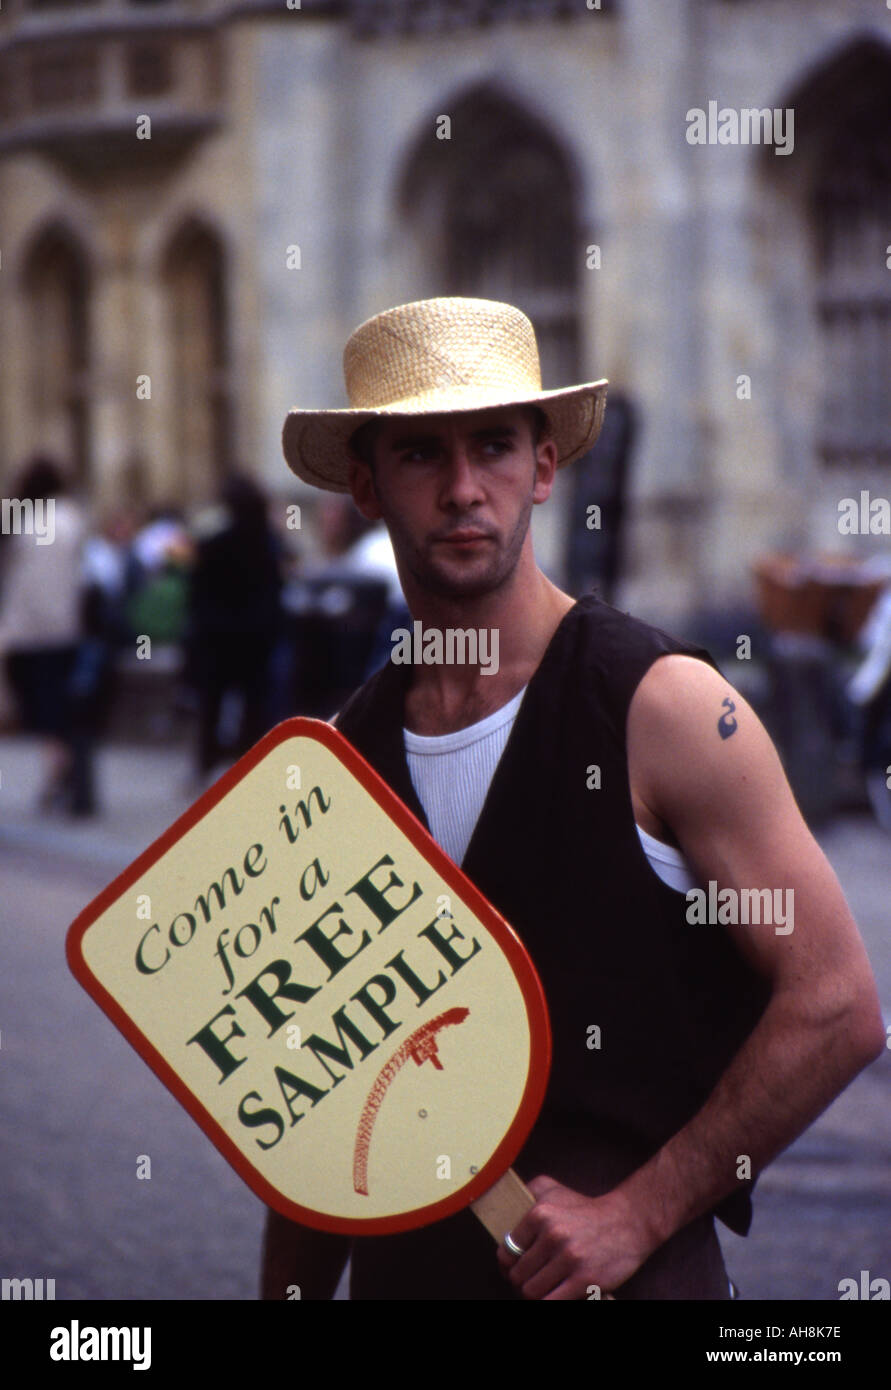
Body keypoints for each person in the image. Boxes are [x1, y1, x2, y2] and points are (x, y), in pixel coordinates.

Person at [262, 296, 885, 1300]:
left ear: (545, 467)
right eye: (422, 455)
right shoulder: (337, 762)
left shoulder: (665, 707)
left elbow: (840, 1004)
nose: (466, 489)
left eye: (496, 445)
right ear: (368, 488)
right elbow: (314, 1094)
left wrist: (637, 1212)